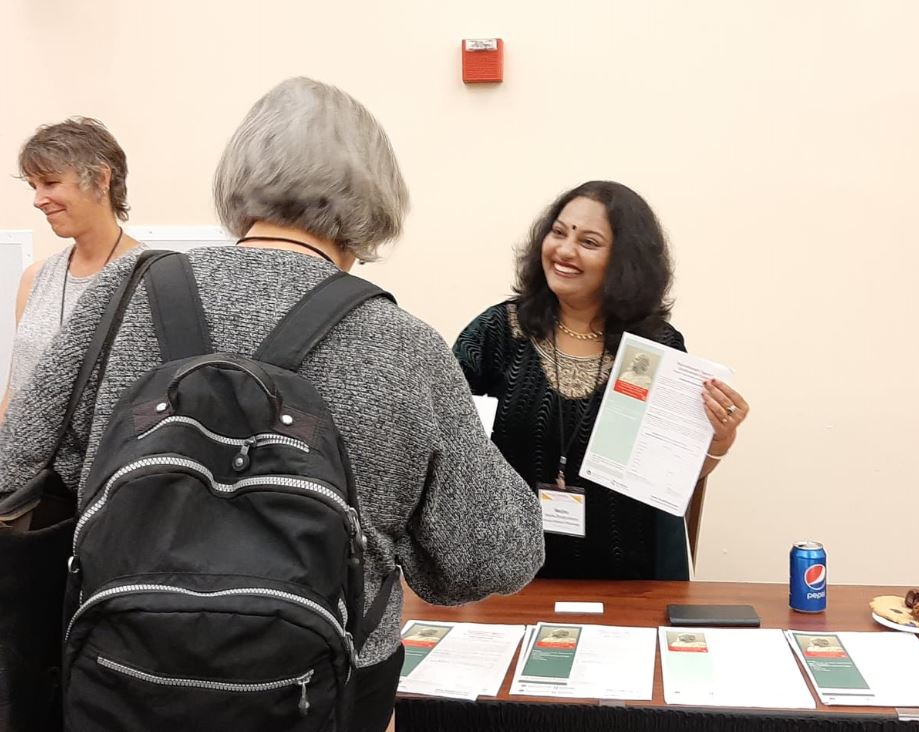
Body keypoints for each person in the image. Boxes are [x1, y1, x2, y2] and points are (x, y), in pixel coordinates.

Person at [0, 78, 544, 732]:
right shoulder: (404, 348)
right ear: (378, 200)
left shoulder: (124, 294)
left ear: (237, 178)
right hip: (322, 697)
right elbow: (489, 559)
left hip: (120, 681)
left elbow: (15, 476)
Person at [454, 180, 749, 581]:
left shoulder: (652, 346)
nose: (564, 251)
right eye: (558, 233)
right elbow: (446, 443)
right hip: (507, 577)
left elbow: (666, 476)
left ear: (624, 261)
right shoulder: (498, 333)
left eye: (588, 242)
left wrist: (718, 441)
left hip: (627, 579)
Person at [1, 118, 144, 419]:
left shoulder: (151, 277)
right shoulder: (36, 278)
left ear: (102, 178)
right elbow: (15, 393)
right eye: (33, 186)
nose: (38, 200)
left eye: (50, 183)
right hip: (25, 464)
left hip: (103, 463)